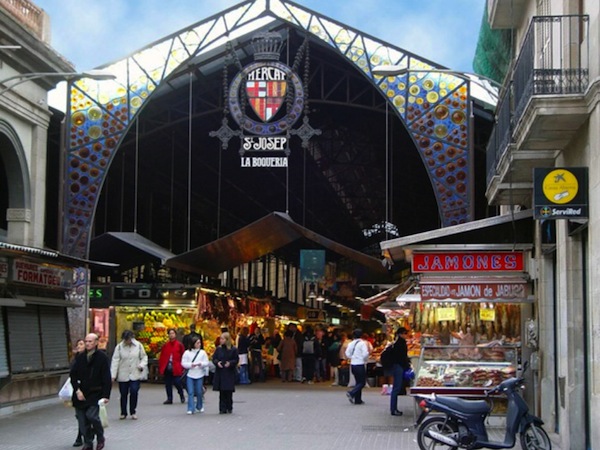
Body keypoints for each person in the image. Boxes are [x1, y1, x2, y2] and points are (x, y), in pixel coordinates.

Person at [70, 333, 111, 450]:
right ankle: (88, 442)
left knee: (92, 416)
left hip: (95, 393)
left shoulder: (102, 358)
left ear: (96, 343)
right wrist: (77, 390)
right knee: (82, 420)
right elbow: (73, 375)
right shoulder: (80, 358)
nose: (87, 343)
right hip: (80, 393)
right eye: (86, 341)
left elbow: (106, 378)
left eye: (90, 341)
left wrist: (106, 395)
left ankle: (100, 436)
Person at [111, 329, 148, 420]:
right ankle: (123, 412)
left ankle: (133, 411)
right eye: (126, 340)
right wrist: (113, 374)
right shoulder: (119, 347)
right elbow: (115, 360)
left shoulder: (138, 346)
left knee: (134, 391)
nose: (128, 341)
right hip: (123, 374)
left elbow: (144, 357)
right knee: (123, 394)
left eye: (129, 339)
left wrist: (141, 365)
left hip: (135, 373)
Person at [212, 332, 239, 414]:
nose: (221, 340)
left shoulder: (233, 349)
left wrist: (230, 363)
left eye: (222, 339)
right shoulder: (218, 349)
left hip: (229, 372)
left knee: (229, 392)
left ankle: (229, 406)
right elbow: (214, 358)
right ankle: (222, 408)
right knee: (222, 392)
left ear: (227, 340)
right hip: (221, 372)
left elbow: (236, 359)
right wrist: (217, 363)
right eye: (220, 339)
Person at [181, 335, 209, 414]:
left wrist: (201, 364)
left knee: (199, 391)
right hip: (190, 374)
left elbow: (206, 362)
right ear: (193, 344)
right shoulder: (187, 353)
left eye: (199, 343)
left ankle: (199, 406)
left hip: (199, 374)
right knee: (190, 392)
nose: (199, 344)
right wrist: (190, 365)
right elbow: (183, 363)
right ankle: (190, 408)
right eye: (197, 343)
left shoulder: (202, 353)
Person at [158, 328, 186, 404]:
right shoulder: (166, 346)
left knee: (177, 382)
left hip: (176, 367)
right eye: (170, 333)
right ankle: (169, 398)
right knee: (168, 384)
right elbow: (162, 357)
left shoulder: (179, 345)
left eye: (173, 333)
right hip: (167, 367)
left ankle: (181, 394)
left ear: (175, 335)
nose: (171, 335)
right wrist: (161, 367)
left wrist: (182, 366)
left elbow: (183, 355)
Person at [389, 327, 411, 416]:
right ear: (401, 334)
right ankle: (393, 409)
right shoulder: (401, 343)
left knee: (396, 388)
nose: (407, 335)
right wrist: (407, 366)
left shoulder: (397, 342)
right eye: (405, 333)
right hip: (399, 367)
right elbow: (402, 357)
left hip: (396, 366)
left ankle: (394, 408)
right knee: (396, 388)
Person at [344, 328, 369, 405]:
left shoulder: (351, 343)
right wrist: (363, 359)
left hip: (353, 364)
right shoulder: (362, 343)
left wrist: (352, 357)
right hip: (360, 364)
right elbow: (365, 353)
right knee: (362, 382)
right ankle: (351, 393)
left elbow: (347, 353)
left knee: (358, 382)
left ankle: (358, 400)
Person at [71, 339, 85, 447]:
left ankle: (85, 434)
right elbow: (72, 376)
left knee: (88, 415)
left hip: (89, 391)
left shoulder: (91, 358)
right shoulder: (75, 360)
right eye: (78, 345)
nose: (79, 346)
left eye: (81, 344)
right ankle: (80, 436)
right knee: (79, 415)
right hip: (77, 391)